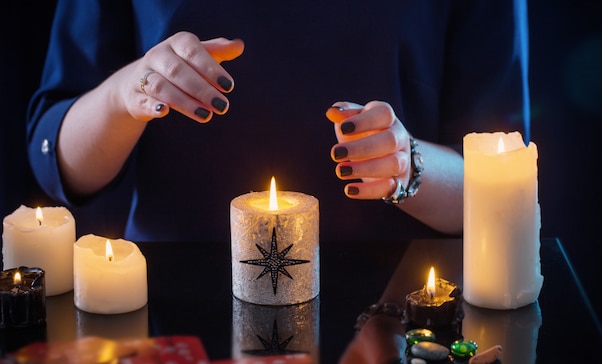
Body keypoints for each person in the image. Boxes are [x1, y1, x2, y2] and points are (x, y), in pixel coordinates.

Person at [27, 0, 529, 245]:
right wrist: (126, 93)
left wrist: (406, 165)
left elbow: (497, 191)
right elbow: (59, 165)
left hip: (393, 321)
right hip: (177, 317)